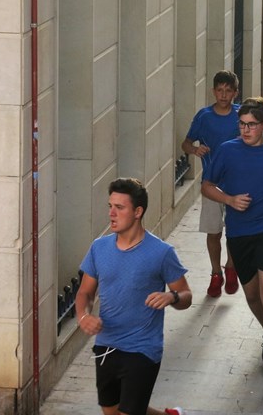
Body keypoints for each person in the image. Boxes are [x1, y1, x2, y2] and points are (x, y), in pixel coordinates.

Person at [75, 178, 192, 415]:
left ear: (137, 212)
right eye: (110, 206)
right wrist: (83, 315)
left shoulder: (161, 252)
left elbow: (186, 295)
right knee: (112, 410)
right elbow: (85, 292)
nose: (111, 213)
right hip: (107, 345)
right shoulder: (99, 248)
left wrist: (171, 297)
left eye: (119, 207)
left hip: (143, 348)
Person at [201, 98, 263, 391]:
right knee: (252, 296)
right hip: (239, 234)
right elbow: (206, 185)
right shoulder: (227, 150)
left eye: (252, 125)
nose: (246, 130)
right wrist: (229, 200)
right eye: (242, 124)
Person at [181, 70, 240, 297]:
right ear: (213, 91)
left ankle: (231, 266)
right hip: (211, 183)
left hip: (237, 181)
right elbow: (186, 143)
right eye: (220, 90)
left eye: (228, 91)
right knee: (213, 231)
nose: (223, 95)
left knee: (234, 230)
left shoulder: (241, 115)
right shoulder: (204, 117)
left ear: (235, 93)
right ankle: (216, 273)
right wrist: (195, 149)